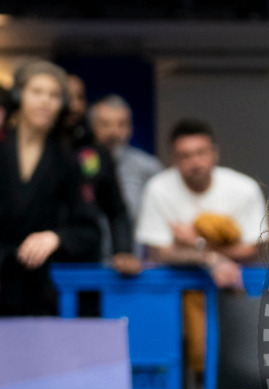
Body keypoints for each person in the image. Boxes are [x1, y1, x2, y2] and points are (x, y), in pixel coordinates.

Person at [136, 118, 265, 389]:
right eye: (185, 155)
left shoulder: (241, 188)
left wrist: (190, 240)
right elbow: (158, 252)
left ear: (214, 153)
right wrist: (210, 254)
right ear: (175, 160)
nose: (194, 162)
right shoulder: (160, 188)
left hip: (229, 309)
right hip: (174, 308)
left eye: (200, 153)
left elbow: (253, 248)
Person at [0, 60, 100, 316]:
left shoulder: (69, 160)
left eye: (54, 95)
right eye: (37, 92)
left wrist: (56, 237)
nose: (45, 101)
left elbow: (90, 230)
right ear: (19, 96)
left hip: (44, 289)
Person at [60, 74, 135, 276]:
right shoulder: (34, 150)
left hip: (86, 261)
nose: (74, 106)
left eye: (80, 97)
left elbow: (117, 210)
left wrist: (123, 251)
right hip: (37, 257)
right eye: (66, 96)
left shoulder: (93, 152)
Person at [89, 94, 163, 264]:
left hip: (133, 269)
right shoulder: (81, 162)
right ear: (92, 127)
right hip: (87, 267)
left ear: (130, 128)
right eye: (105, 124)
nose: (114, 132)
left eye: (121, 124)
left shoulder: (149, 167)